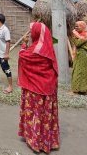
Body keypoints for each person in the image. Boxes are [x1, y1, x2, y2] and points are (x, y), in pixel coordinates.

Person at [18, 22, 59, 153]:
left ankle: (35, 141)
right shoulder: (48, 47)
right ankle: (48, 141)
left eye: (31, 32)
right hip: (48, 87)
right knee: (45, 115)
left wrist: (24, 44)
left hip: (35, 89)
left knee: (35, 112)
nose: (30, 34)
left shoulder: (35, 49)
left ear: (36, 33)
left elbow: (23, 56)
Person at [71, 21, 87, 95]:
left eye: (77, 26)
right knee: (77, 71)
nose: (76, 28)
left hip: (84, 55)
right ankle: (78, 89)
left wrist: (75, 34)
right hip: (79, 55)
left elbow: (78, 43)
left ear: (83, 26)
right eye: (75, 26)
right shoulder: (80, 35)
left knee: (83, 72)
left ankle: (85, 89)